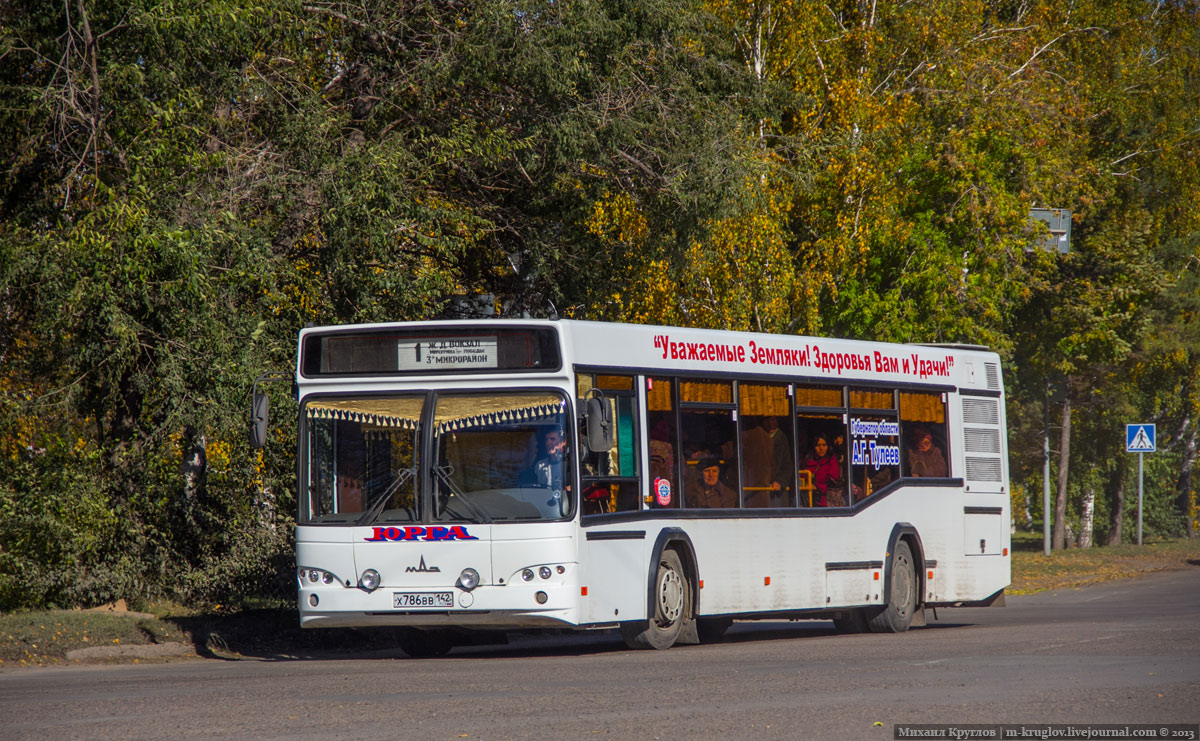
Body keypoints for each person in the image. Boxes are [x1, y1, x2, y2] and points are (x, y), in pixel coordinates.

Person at [803, 434, 842, 507]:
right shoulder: (807, 460)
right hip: (807, 500)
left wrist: (816, 487)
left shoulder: (831, 459)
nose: (821, 448)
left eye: (824, 445)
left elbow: (832, 481)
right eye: (818, 445)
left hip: (826, 502)